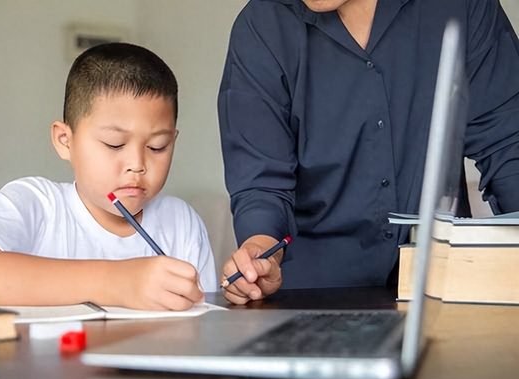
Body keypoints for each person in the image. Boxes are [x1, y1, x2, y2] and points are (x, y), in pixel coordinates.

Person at [218, 0, 519, 304]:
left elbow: (508, 144)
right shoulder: (260, 27)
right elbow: (261, 183)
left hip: (443, 290)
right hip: (309, 301)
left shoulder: (463, 6)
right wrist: (260, 249)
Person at [0, 43, 217, 310]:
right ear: (65, 141)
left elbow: (204, 324)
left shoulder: (182, 224)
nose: (137, 164)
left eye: (157, 146)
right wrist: (119, 282)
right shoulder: (36, 204)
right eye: (114, 144)